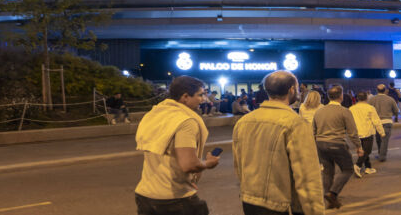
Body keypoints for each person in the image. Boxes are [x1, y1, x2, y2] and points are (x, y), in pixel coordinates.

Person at [232, 70, 326, 215]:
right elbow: (307, 178)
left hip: (249, 201)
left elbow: (239, 163)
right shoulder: (295, 123)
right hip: (280, 205)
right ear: (291, 89)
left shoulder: (244, 121)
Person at [134, 75, 220, 215]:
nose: (203, 99)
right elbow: (188, 164)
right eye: (200, 95)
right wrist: (208, 163)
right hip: (174, 200)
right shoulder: (185, 121)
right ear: (185, 96)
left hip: (145, 196)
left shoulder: (156, 114)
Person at [313, 86, 362, 210]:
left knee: (328, 172)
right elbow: (352, 132)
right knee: (348, 169)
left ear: (329, 97)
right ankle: (333, 194)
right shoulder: (344, 111)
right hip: (336, 144)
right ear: (341, 96)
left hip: (320, 144)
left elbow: (313, 131)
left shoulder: (319, 111)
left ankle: (330, 201)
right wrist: (358, 146)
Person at [348, 91, 385, 175]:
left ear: (357, 98)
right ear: (367, 98)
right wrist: (381, 132)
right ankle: (358, 165)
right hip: (367, 133)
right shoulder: (370, 108)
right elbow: (376, 121)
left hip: (356, 133)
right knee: (367, 151)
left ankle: (368, 167)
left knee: (363, 150)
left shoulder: (351, 108)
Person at [366, 84, 400, 162]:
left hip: (376, 122)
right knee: (385, 140)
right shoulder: (390, 99)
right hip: (387, 121)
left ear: (377, 90)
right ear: (385, 90)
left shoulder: (372, 99)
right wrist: (394, 116)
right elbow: (396, 111)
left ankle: (379, 152)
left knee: (378, 139)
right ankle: (382, 156)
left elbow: (368, 110)